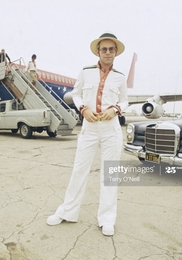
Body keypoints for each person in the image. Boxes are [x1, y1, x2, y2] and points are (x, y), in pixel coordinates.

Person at [46, 32, 128, 236]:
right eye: (104, 49)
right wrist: (83, 109)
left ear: (115, 52)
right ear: (98, 51)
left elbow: (126, 100)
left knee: (109, 174)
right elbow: (76, 93)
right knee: (79, 170)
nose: (107, 52)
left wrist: (116, 109)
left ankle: (107, 218)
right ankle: (67, 212)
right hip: (89, 129)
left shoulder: (120, 77)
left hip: (111, 130)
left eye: (111, 49)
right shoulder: (85, 72)